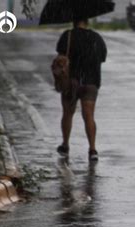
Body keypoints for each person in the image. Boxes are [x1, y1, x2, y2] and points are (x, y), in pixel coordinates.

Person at [56, 18, 107, 161]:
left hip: (71, 83)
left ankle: (65, 145)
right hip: (90, 82)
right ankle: (92, 149)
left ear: (73, 21)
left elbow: (61, 58)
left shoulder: (67, 36)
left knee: (67, 114)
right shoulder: (96, 37)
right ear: (87, 21)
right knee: (89, 116)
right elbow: (103, 57)